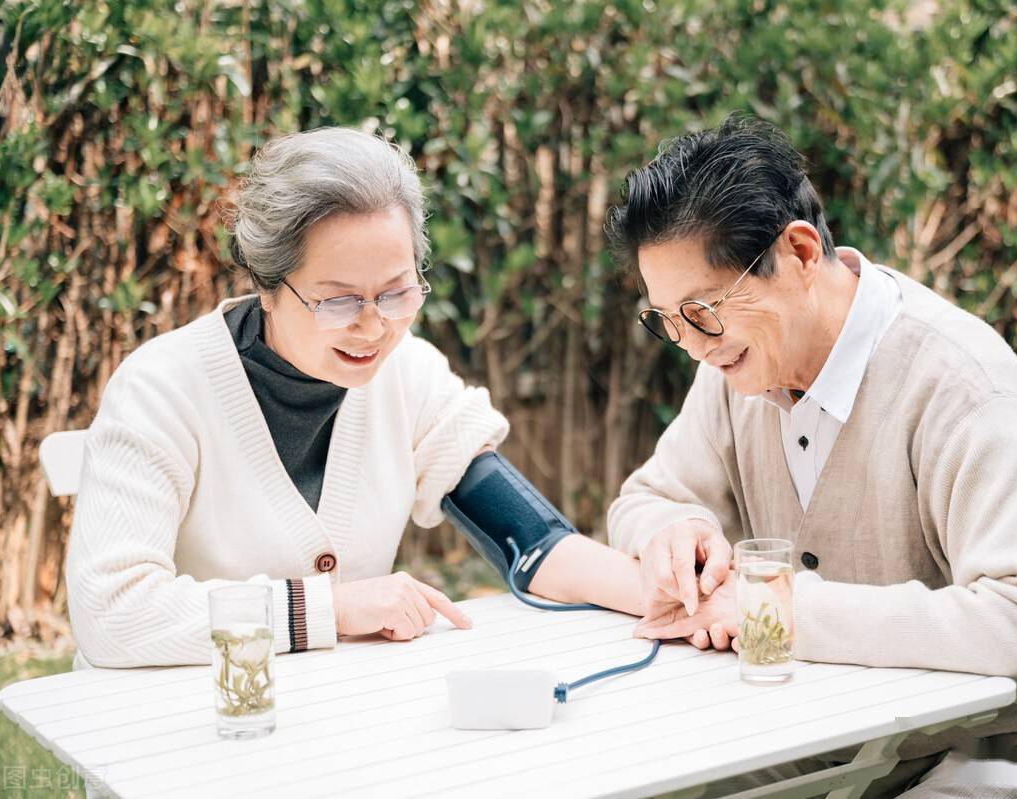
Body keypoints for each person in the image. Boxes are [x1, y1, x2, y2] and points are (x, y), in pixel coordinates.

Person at [604, 116, 1017, 797]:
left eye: (703, 310)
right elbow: (645, 499)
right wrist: (671, 532)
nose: (691, 343)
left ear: (797, 253)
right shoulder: (738, 367)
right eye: (667, 320)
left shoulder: (963, 389)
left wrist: (786, 612)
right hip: (847, 737)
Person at [65, 127, 644, 670]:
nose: (373, 328)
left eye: (396, 293)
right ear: (267, 286)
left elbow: (532, 541)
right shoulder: (161, 389)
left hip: (340, 727)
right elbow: (111, 613)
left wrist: (667, 595)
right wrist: (331, 610)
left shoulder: (408, 371)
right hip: (181, 732)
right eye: (339, 302)